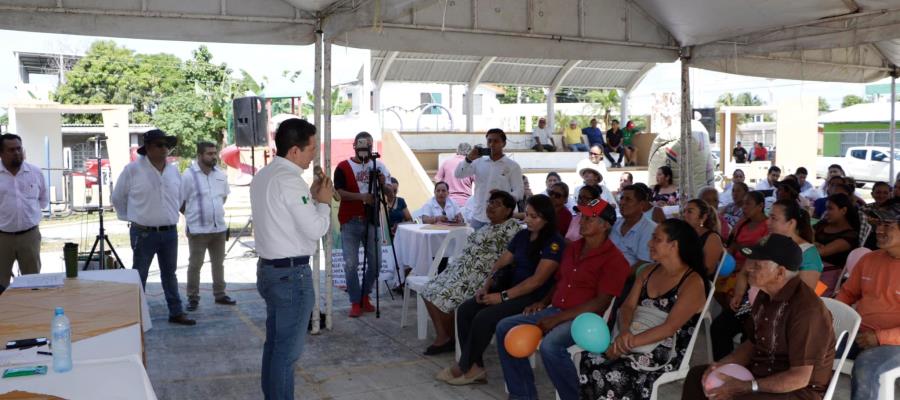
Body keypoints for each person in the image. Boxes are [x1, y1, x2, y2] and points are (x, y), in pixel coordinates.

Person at [497, 199, 628, 400]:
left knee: (551, 346)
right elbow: (560, 281)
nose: (582, 222)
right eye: (582, 217)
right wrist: (543, 302)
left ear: (605, 225)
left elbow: (601, 302)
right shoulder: (573, 248)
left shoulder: (615, 259)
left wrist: (558, 319)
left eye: (589, 219)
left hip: (586, 320)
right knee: (505, 326)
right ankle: (522, 394)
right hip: (557, 310)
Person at [682, 234, 836, 400]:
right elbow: (753, 343)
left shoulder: (807, 311)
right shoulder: (765, 295)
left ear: (780, 273)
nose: (749, 268)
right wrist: (720, 365)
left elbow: (799, 378)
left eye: (758, 265)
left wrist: (747, 387)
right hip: (763, 372)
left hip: (798, 390)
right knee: (697, 377)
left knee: (738, 397)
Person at [436, 195, 563, 385]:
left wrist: (502, 297)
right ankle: (474, 367)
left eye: (533, 216)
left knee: (484, 317)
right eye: (526, 214)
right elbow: (500, 263)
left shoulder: (554, 242)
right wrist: (486, 286)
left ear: (546, 218)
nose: (527, 219)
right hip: (510, 288)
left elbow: (536, 282)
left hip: (532, 297)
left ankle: (463, 366)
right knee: (465, 310)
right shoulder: (522, 236)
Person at [250, 118, 333, 400]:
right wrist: (323, 202)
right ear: (295, 151)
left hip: (270, 271)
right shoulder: (290, 181)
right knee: (286, 355)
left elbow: (286, 219)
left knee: (275, 348)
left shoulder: (264, 175)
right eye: (311, 149)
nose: (313, 156)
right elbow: (316, 229)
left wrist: (311, 198)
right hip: (291, 276)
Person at [580, 219, 708, 400]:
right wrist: (624, 332)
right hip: (634, 332)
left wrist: (625, 344)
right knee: (589, 359)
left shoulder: (692, 282)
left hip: (664, 346)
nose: (649, 243)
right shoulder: (648, 271)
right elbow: (628, 306)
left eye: (656, 239)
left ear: (674, 245)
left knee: (615, 372)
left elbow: (669, 327)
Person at [420, 191, 520, 355]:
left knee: (442, 297)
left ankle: (451, 338)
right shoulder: (487, 226)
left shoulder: (513, 228)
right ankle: (446, 336)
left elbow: (511, 257)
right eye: (490, 202)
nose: (491, 206)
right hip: (460, 270)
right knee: (427, 290)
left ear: (509, 210)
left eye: (497, 204)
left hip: (478, 276)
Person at [111, 129, 194, 326]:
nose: (165, 148)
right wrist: (131, 217)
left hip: (169, 232)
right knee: (140, 274)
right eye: (159, 145)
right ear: (147, 148)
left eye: (167, 144)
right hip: (143, 232)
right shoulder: (132, 170)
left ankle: (176, 312)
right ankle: (135, 316)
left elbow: (180, 198)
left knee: (169, 274)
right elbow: (117, 198)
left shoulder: (173, 170)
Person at [836, 203, 900, 400]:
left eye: (887, 225)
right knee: (811, 348)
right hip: (859, 333)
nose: (879, 230)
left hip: (893, 342)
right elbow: (847, 294)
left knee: (866, 366)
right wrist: (833, 321)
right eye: (878, 224)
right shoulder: (869, 259)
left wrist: (881, 337)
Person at [334, 131, 392, 318]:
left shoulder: (379, 166)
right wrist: (361, 197)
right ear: (354, 146)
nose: (364, 150)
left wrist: (384, 184)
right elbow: (339, 193)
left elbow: (391, 193)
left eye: (367, 147)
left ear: (371, 147)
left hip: (371, 220)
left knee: (375, 263)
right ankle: (355, 300)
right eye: (360, 147)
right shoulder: (343, 167)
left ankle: (363, 296)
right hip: (349, 220)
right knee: (351, 263)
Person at [711, 191, 769, 360]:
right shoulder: (742, 223)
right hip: (737, 270)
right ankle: (725, 362)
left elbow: (756, 253)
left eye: (748, 204)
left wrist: (741, 248)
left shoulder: (767, 229)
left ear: (760, 206)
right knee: (715, 286)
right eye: (743, 204)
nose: (744, 208)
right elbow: (731, 245)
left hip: (750, 276)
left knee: (742, 321)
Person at [181, 141, 234, 312]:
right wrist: (192, 217)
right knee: (195, 265)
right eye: (209, 154)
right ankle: (193, 297)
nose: (213, 156)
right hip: (198, 230)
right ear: (199, 155)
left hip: (218, 229)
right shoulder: (189, 175)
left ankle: (220, 294)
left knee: (219, 264)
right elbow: (180, 201)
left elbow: (223, 198)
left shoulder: (220, 174)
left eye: (214, 153)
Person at [0, 133, 47, 288]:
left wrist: (29, 216)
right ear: (1, 153)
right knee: (0, 284)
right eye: (11, 150)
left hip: (29, 236)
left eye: (19, 148)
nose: (17, 153)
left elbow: (42, 200)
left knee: (33, 283)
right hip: (2, 238)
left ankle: (32, 312)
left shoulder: (35, 172)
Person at [456, 128, 524, 231]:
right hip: (479, 217)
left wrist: (503, 196)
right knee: (475, 246)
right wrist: (468, 159)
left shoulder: (512, 166)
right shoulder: (478, 162)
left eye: (496, 141)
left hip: (501, 219)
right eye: (489, 141)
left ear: (504, 144)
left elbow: (519, 192)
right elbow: (458, 174)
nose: (492, 144)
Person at [611, 185, 657, 268]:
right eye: (621, 198)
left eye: (628, 199)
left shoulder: (650, 229)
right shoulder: (614, 224)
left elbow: (644, 264)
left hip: (630, 278)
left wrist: (618, 277)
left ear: (641, 204)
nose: (622, 203)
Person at [814, 193, 860, 268]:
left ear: (843, 210)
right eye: (826, 208)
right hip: (812, 266)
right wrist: (813, 243)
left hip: (831, 273)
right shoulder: (823, 224)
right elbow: (805, 235)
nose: (826, 212)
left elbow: (822, 252)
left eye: (830, 208)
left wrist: (810, 243)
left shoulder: (850, 235)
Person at [683, 198, 724, 279]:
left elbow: (707, 270)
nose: (684, 215)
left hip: (698, 282)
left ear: (703, 217)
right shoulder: (684, 234)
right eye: (684, 211)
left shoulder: (712, 238)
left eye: (690, 211)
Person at [433, 143, 475, 207]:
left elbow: (437, 180)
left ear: (457, 151)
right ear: (470, 153)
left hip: (448, 202)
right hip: (465, 203)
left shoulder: (447, 162)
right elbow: (479, 182)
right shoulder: (471, 165)